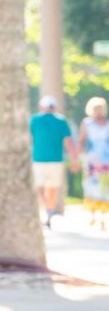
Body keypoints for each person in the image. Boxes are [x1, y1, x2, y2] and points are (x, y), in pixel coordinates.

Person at [29, 95, 79, 228]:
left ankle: (46, 209)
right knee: (52, 188)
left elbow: (28, 138)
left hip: (39, 159)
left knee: (40, 187)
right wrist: (74, 160)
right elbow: (69, 143)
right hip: (55, 160)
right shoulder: (61, 121)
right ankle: (49, 210)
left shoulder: (34, 120)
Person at [78, 96, 109, 227]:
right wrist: (77, 157)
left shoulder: (107, 123)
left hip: (106, 158)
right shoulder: (87, 123)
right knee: (91, 185)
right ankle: (92, 214)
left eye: (100, 109)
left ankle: (103, 216)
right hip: (92, 159)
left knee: (104, 186)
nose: (98, 112)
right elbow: (82, 141)